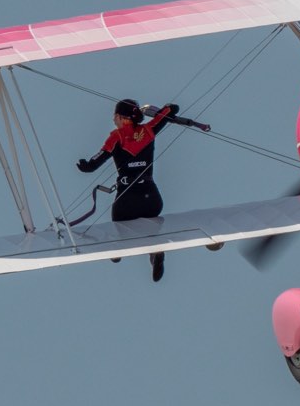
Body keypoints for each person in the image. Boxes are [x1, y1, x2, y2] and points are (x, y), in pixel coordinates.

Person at [77, 98, 208, 282]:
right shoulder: (148, 129)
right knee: (151, 227)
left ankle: (118, 250)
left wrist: (85, 165)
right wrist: (164, 109)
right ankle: (155, 252)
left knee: (118, 224)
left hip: (127, 200)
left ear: (121, 117)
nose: (113, 119)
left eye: (115, 116)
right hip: (151, 198)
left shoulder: (116, 136)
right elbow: (171, 110)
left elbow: (93, 165)